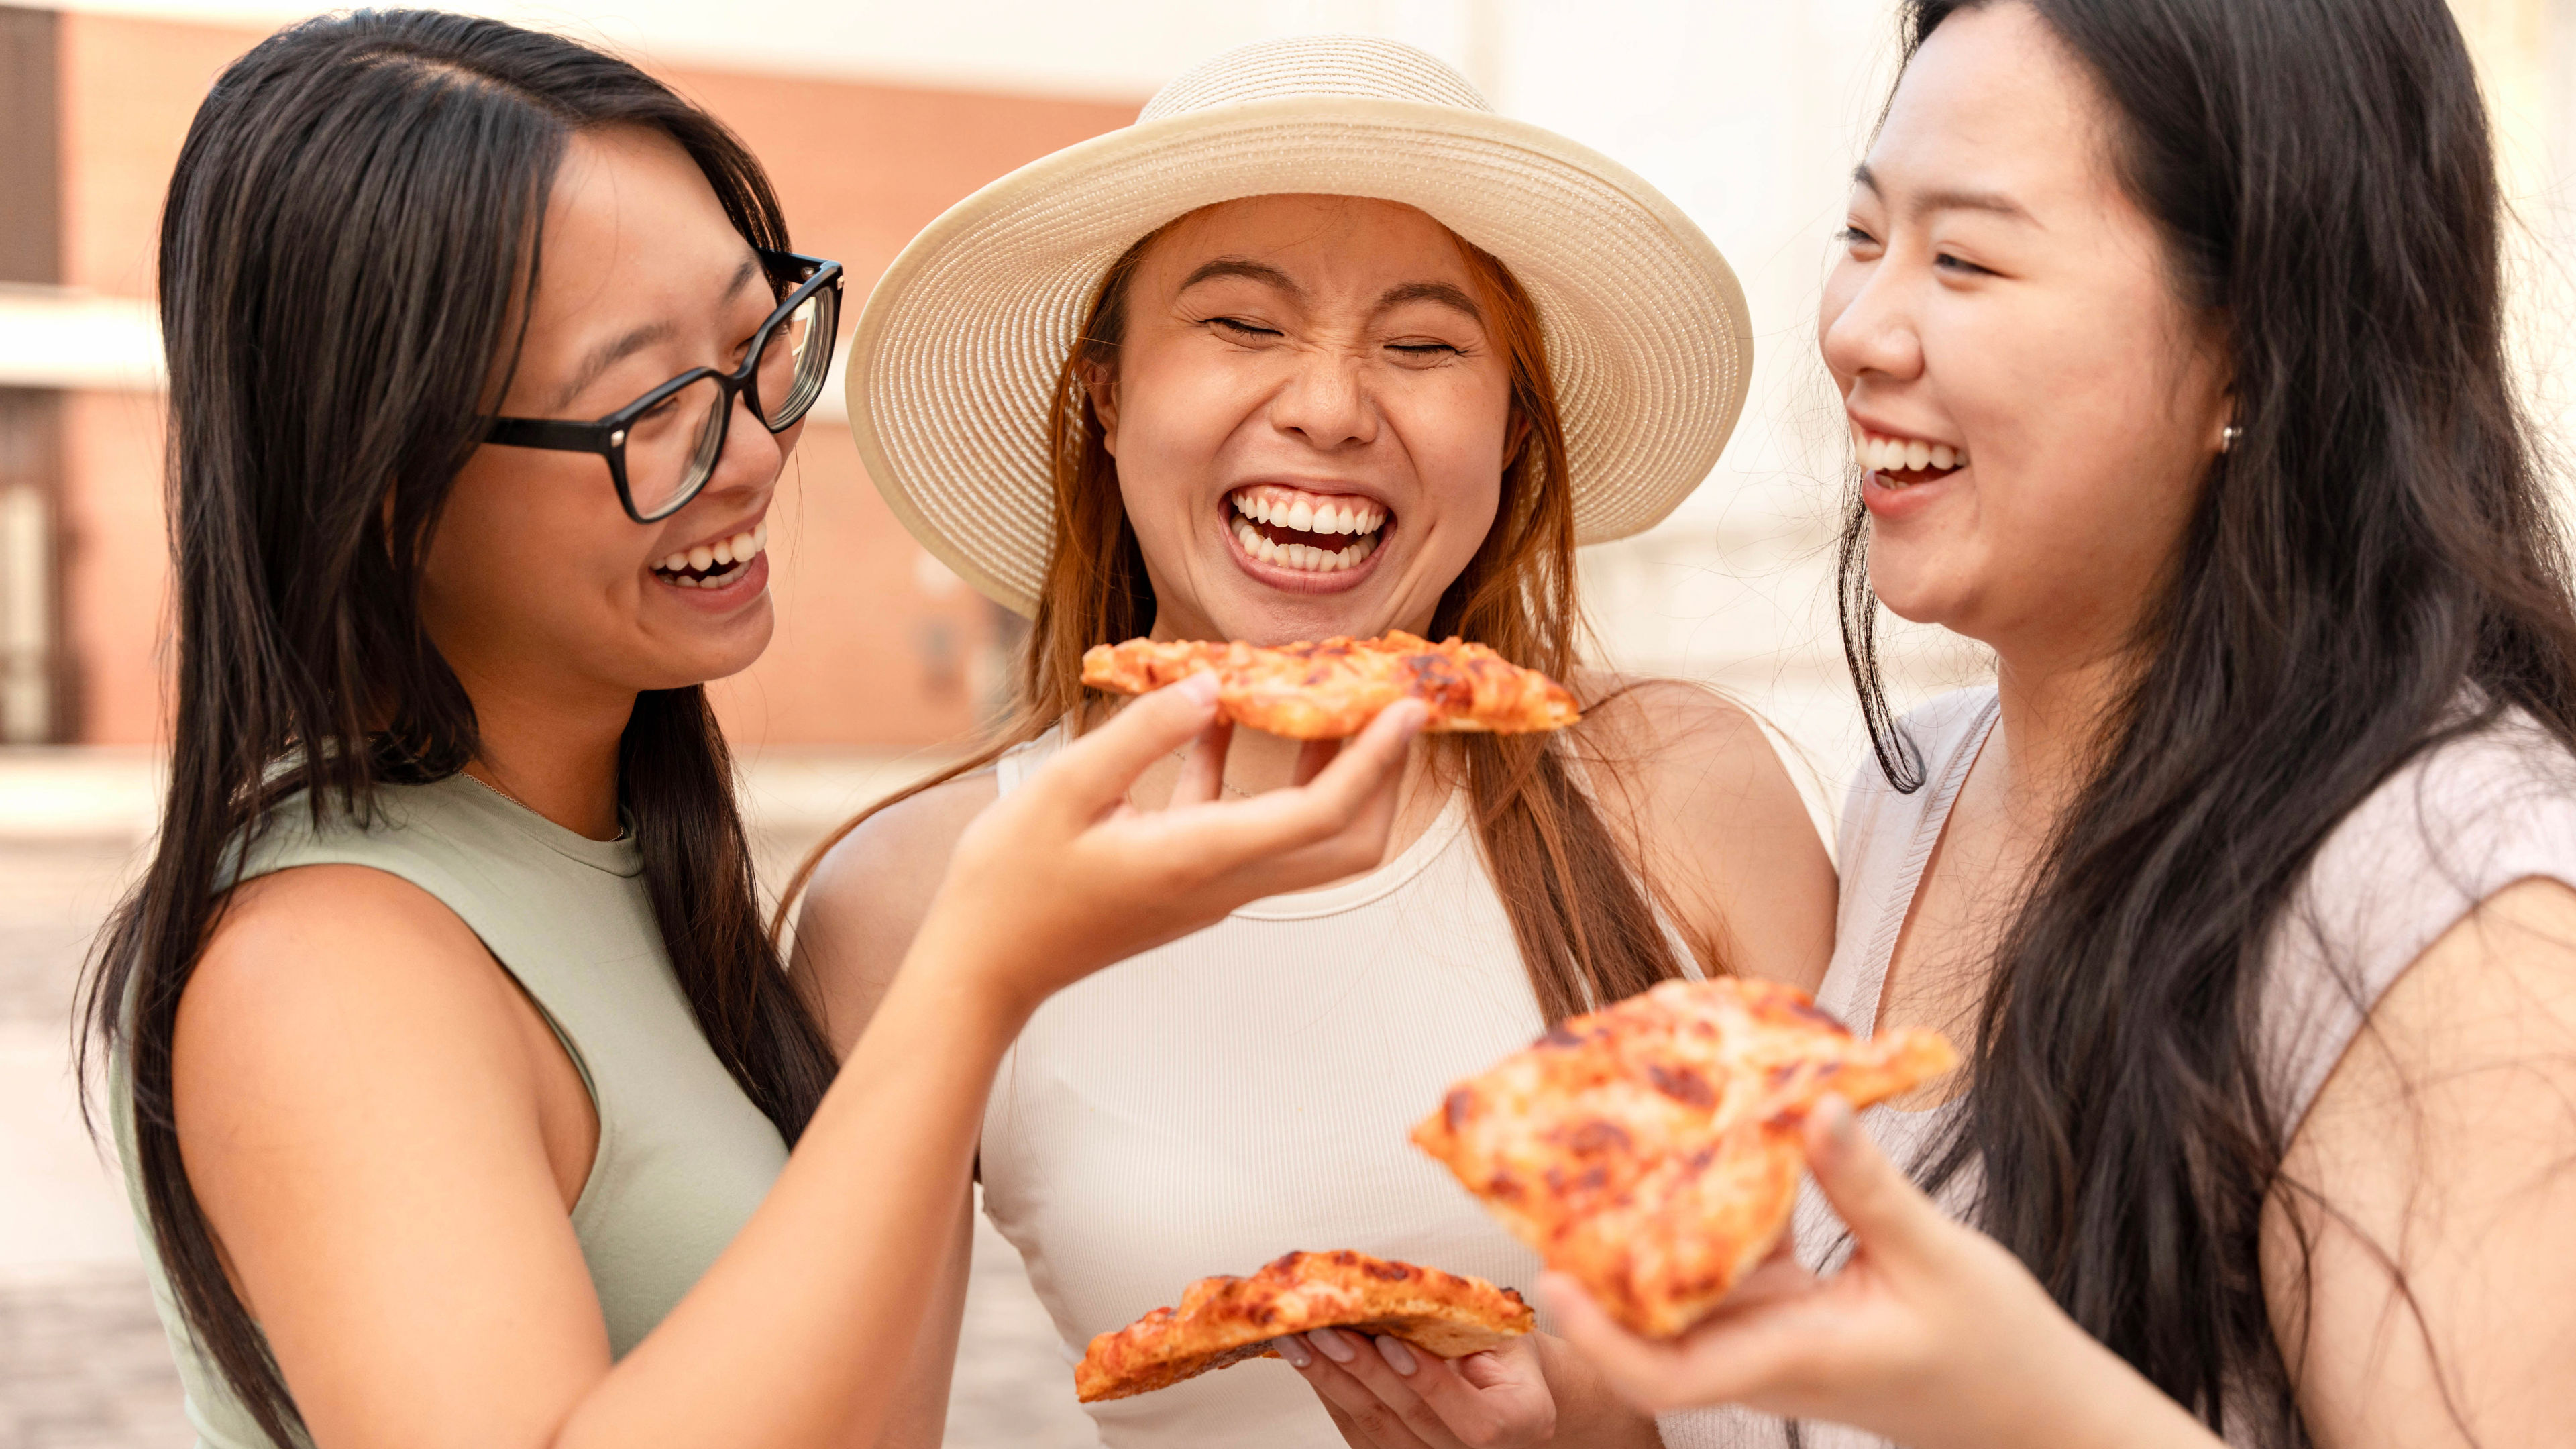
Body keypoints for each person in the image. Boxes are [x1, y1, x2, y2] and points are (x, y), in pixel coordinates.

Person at [79, 14, 1422, 1448]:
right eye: (651, 405)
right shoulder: (324, 961)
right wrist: (975, 974)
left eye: (755, 342)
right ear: (386, 475)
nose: (760, 451)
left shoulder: (627, 859)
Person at [1545, 3, 2576, 1447]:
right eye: (1862, 236)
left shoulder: (2451, 898)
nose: (1856, 330)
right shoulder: (1914, 800)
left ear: (2253, 351)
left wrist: (2024, 1405)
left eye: (1963, 258)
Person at [788, 34, 1837, 1449]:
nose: (1333, 407)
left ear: (1514, 429)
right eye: (1241, 325)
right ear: (1104, 394)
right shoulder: (911, 895)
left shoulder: (1680, 787)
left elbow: (1894, 1385)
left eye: (1422, 346)